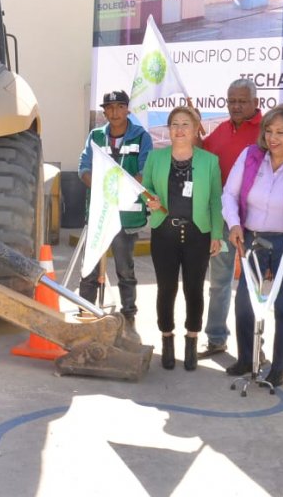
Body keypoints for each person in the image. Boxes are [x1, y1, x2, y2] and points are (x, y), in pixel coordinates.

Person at [221, 105, 283, 387]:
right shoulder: (251, 156)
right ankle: (248, 358)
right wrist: (234, 223)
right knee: (245, 303)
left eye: (281, 132)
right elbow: (230, 193)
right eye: (269, 131)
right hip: (251, 237)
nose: (272, 138)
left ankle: (281, 366)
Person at [142, 106, 223, 371]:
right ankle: (167, 338)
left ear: (196, 128)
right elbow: (146, 189)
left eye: (185, 124)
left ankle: (191, 339)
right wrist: (149, 200)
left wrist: (216, 234)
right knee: (166, 289)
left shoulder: (209, 161)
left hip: (197, 234)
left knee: (194, 288)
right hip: (164, 232)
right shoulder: (156, 157)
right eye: (174, 124)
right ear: (169, 129)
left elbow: (214, 200)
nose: (179, 129)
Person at [77, 90, 152, 322]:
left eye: (120, 107)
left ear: (127, 109)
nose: (114, 112)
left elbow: (144, 172)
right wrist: (102, 193)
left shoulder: (141, 137)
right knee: (89, 265)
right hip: (100, 212)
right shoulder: (95, 136)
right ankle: (85, 309)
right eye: (109, 108)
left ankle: (129, 313)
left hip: (125, 215)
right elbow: (83, 169)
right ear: (104, 112)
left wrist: (118, 194)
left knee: (124, 268)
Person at [200, 79, 262, 359]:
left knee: (254, 286)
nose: (236, 106)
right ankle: (216, 338)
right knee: (219, 280)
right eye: (232, 101)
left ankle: (255, 348)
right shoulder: (221, 131)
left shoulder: (267, 132)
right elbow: (203, 158)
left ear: (255, 103)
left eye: (242, 101)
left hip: (259, 221)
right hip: (225, 219)